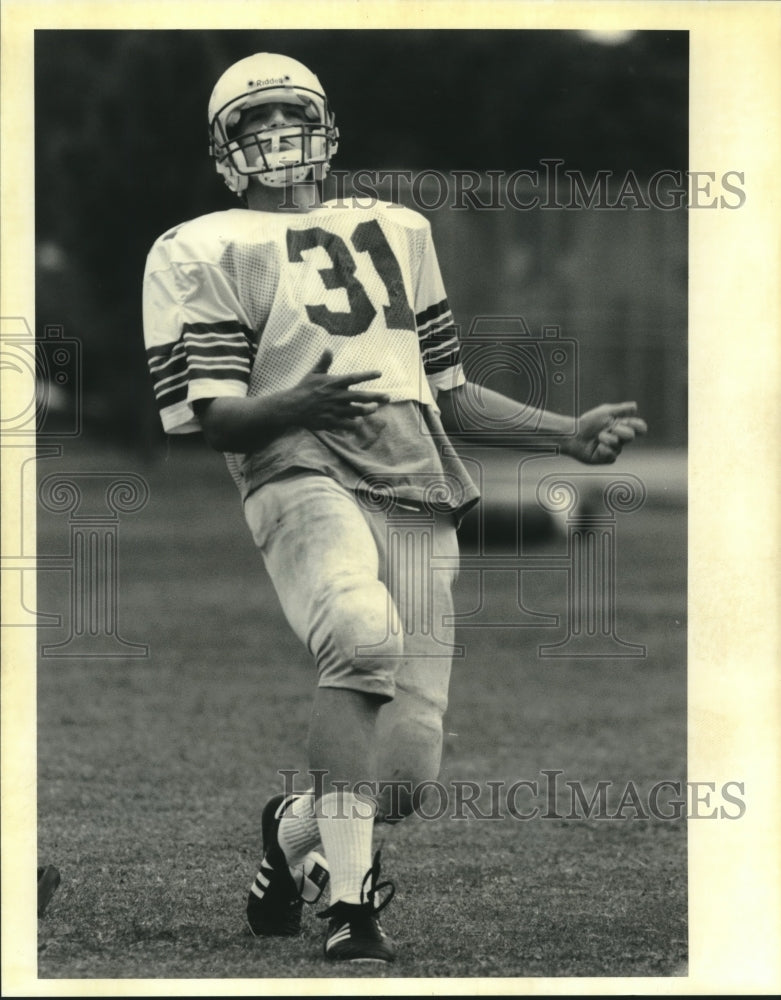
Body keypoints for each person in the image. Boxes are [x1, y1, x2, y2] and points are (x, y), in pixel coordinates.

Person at [142, 51, 647, 965]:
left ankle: (289, 830)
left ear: (328, 126)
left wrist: (565, 433)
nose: (275, 135)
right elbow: (211, 417)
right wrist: (296, 406)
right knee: (361, 636)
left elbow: (446, 393)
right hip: (297, 474)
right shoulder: (196, 245)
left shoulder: (401, 229)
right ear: (223, 149)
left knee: (404, 779)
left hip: (414, 488)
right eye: (253, 124)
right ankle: (349, 901)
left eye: (289, 115)